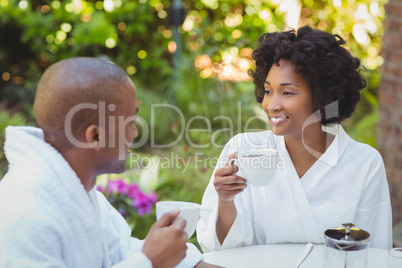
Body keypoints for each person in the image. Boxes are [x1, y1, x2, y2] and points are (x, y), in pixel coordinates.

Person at [0, 57, 216, 267]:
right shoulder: (24, 215)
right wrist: (150, 263)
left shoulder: (80, 192)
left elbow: (121, 252)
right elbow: (142, 260)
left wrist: (189, 262)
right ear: (95, 136)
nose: (135, 132)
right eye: (130, 121)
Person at [197, 25, 392, 252]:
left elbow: (376, 253)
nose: (271, 105)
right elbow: (220, 251)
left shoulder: (364, 163)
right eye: (268, 91)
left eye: (287, 92)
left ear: (323, 97)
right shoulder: (244, 149)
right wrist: (226, 201)